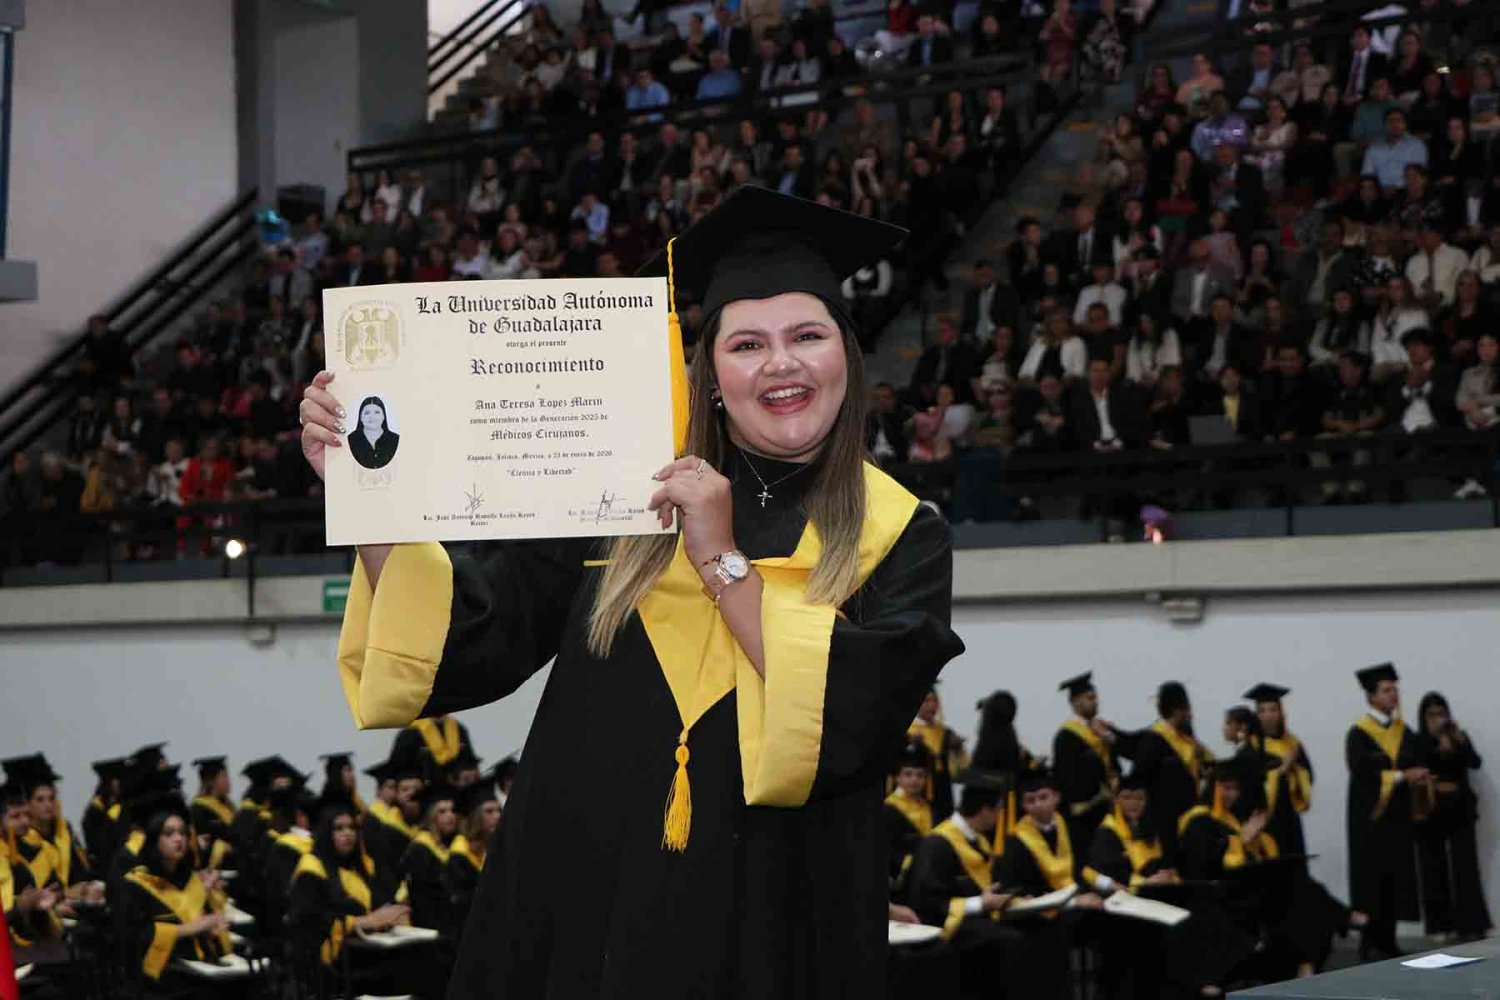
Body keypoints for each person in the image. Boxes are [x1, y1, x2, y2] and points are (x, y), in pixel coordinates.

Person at [302, 187, 966, 998]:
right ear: (711, 375)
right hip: (581, 900)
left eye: (808, 336)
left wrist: (720, 559)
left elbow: (855, 718)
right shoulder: (615, 494)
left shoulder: (901, 531)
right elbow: (483, 630)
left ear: (847, 359)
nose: (781, 363)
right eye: (747, 343)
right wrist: (373, 494)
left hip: (777, 922)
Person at [904, 775, 1025, 1000]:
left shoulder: (977, 839)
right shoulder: (938, 844)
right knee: (1009, 942)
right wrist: (982, 903)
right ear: (984, 810)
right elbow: (927, 902)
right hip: (943, 924)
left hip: (973, 920)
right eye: (998, 809)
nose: (1000, 815)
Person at [1346, 662, 1427, 960]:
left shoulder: (1405, 732)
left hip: (1398, 819)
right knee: (1371, 879)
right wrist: (1403, 776)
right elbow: (1362, 774)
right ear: (1371, 697)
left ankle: (1388, 938)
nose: (1394, 694)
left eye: (1395, 689)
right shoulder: (1359, 734)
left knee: (1395, 878)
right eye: (1386, 690)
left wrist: (1421, 778)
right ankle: (1369, 940)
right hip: (1369, 819)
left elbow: (1419, 762)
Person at [116, 799, 236, 999]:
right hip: (162, 984)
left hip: (202, 977)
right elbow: (133, 938)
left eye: (182, 832)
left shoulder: (193, 882)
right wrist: (188, 929)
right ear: (155, 840)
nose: (178, 839)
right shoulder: (136, 885)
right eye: (169, 833)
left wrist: (214, 932)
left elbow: (209, 934)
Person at [287, 804, 408, 993]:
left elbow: (374, 908)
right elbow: (311, 919)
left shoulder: (359, 869)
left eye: (352, 828)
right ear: (327, 833)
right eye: (339, 828)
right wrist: (365, 922)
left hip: (365, 955)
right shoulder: (311, 868)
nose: (348, 833)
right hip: (328, 968)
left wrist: (385, 919)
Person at [1414, 691, 1491, 942]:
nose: (1438, 719)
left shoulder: (1458, 735)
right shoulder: (1418, 740)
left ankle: (1471, 923)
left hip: (1459, 807)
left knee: (1465, 866)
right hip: (1431, 809)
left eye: (1442, 713)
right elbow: (1419, 765)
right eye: (1432, 715)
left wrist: (1457, 739)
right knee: (1433, 867)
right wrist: (1435, 743)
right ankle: (1439, 924)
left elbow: (1475, 762)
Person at [1052, 673, 1134, 847]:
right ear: (1075, 702)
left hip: (1113, 809)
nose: (1095, 702)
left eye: (1095, 697)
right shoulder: (1066, 736)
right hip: (1084, 815)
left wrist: (1108, 736)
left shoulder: (1104, 728)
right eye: (1089, 697)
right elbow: (1067, 780)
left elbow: (1132, 751)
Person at [1131, 682, 1208, 858]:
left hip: (1189, 820)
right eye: (1187, 709)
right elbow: (1139, 780)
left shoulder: (1187, 736)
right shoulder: (1153, 740)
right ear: (1176, 710)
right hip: (1164, 822)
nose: (1190, 714)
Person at [1245, 684, 1313, 860]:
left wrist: (1296, 769)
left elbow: (1309, 778)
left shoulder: (1293, 744)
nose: (1268, 716)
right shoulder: (1250, 748)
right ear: (1256, 716)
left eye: (1273, 710)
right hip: (1265, 824)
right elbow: (1248, 786)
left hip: (1291, 821)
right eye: (1262, 711)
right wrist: (1283, 769)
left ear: (1281, 712)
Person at [448, 778, 501, 938]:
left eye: (498, 810)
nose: (498, 816)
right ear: (475, 816)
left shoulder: (490, 847)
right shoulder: (458, 855)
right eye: (489, 811)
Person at [909, 687, 970, 822]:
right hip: (918, 789)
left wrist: (958, 748)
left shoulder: (945, 732)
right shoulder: (910, 732)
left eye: (935, 701)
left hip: (943, 792)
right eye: (926, 701)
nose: (932, 705)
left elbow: (962, 767)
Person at [885, 740, 933, 891]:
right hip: (902, 880)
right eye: (908, 774)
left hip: (929, 876)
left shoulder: (930, 809)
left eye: (920, 775)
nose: (914, 779)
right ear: (897, 778)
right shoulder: (887, 809)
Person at [188, 756, 236, 871]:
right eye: (223, 776)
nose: (228, 780)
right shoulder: (198, 808)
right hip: (214, 871)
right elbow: (202, 845)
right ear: (210, 780)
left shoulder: (230, 807)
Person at [82, 757, 128, 872]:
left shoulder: (123, 805)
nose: (120, 783)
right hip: (104, 867)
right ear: (108, 782)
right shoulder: (95, 812)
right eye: (116, 779)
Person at [346, 396, 400, 471]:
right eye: (367, 413)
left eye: (377, 412)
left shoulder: (395, 439)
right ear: (361, 417)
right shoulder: (350, 439)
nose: (372, 417)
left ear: (383, 416)